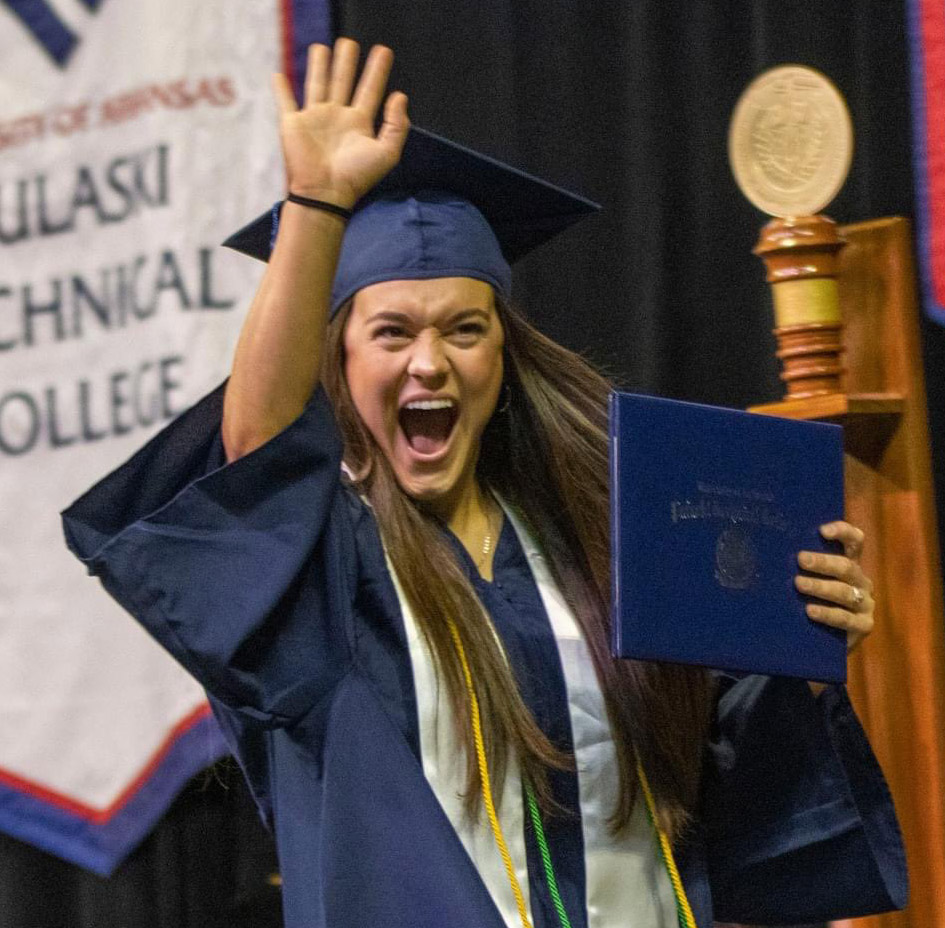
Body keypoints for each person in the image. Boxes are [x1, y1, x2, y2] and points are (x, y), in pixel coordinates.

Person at [62, 39, 907, 928]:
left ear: (504, 355)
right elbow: (255, 456)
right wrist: (316, 205)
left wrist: (801, 628)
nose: (430, 363)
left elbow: (727, 774)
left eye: (465, 330)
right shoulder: (322, 579)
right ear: (339, 364)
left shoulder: (607, 538)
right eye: (391, 333)